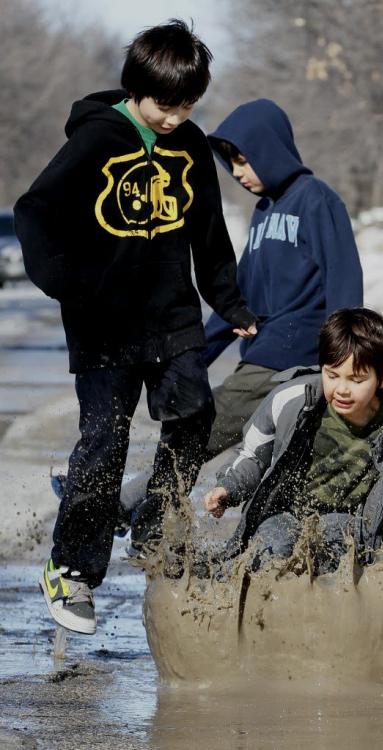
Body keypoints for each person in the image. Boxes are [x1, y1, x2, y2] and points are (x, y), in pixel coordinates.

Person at [14, 20, 256, 635]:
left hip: (171, 315)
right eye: (164, 106)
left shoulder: (191, 145)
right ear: (136, 89)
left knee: (192, 419)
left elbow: (208, 232)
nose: (174, 119)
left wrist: (230, 304)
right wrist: (69, 284)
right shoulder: (96, 139)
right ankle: (71, 570)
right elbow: (34, 210)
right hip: (103, 324)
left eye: (187, 106)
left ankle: (154, 533)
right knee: (105, 442)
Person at [204, 308, 383, 638]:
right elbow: (252, 455)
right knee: (271, 542)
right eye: (332, 375)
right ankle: (262, 634)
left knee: (351, 540)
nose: (343, 389)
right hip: (286, 514)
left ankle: (336, 636)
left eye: (357, 380)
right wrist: (228, 487)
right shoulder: (292, 401)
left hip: (360, 529)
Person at [203, 99, 363, 457]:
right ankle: (145, 505)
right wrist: (195, 355)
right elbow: (240, 297)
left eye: (242, 159)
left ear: (268, 149)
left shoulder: (316, 199)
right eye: (230, 162)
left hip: (293, 352)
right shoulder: (263, 211)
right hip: (264, 351)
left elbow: (344, 282)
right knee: (249, 456)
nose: (236, 171)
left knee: (198, 428)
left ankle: (122, 504)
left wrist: (343, 363)